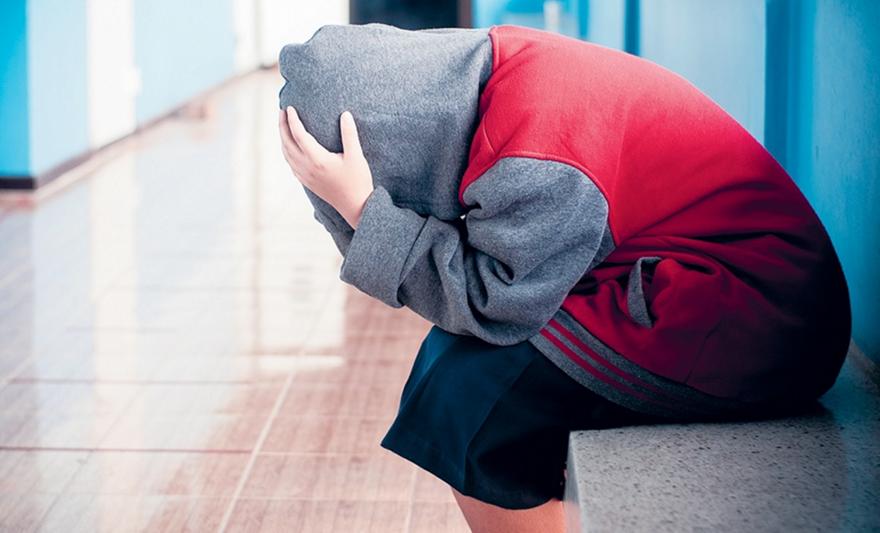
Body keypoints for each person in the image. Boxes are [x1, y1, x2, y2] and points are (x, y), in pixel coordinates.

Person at [276, 23, 851, 533]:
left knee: (474, 407)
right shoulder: (492, 77)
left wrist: (362, 211)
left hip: (763, 314)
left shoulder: (535, 154)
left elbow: (496, 305)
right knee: (452, 361)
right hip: (702, 279)